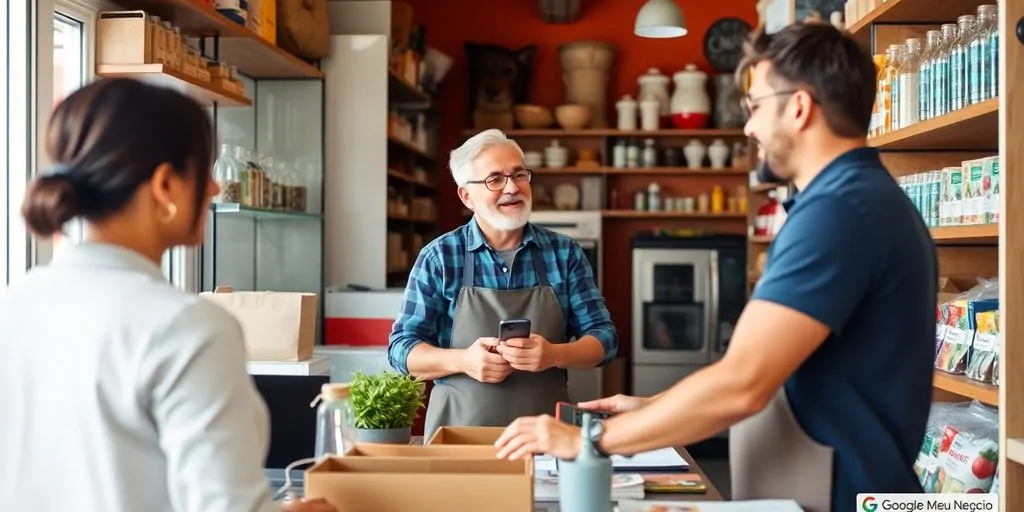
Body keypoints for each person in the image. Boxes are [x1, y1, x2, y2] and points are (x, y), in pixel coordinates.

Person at [495, 22, 937, 512]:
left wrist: (591, 441)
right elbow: (778, 371)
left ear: (799, 107)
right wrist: (656, 408)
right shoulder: (854, 201)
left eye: (755, 106)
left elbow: (743, 383)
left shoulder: (840, 212)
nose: (748, 128)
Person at [0, 78, 335, 512]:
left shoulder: (14, 305)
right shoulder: (188, 327)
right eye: (204, 173)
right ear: (165, 186)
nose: (214, 189)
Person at [388, 129, 618, 439]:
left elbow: (604, 339)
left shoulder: (564, 254)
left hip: (547, 440)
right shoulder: (439, 257)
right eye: (494, 179)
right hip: (457, 440)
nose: (512, 187)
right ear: (466, 196)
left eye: (519, 175)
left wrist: (554, 354)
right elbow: (401, 349)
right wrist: (465, 361)